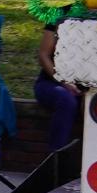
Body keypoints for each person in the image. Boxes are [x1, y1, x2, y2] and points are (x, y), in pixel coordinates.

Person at [35, 18, 81, 155]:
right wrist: (63, 81)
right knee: (66, 100)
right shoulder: (58, 15)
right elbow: (44, 55)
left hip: (88, 85)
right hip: (50, 83)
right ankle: (55, 158)